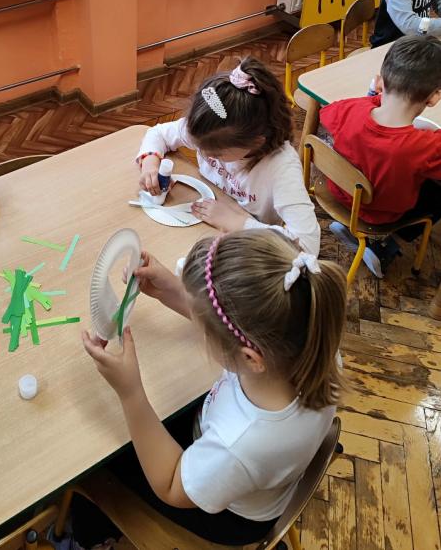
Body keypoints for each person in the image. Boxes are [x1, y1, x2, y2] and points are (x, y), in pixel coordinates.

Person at [79, 229, 346, 547]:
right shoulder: (312, 343)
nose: (201, 333)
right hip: (237, 467)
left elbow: (170, 486)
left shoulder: (240, 444)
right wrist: (175, 290)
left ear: (250, 358)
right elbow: (232, 327)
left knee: (97, 459)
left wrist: (131, 393)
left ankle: (92, 535)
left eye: (205, 330)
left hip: (226, 514)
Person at [136, 57, 320, 255]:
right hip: (207, 222)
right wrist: (150, 164)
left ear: (256, 142)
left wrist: (238, 222)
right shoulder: (208, 129)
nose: (203, 153)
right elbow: (158, 134)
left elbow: (307, 246)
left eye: (216, 154)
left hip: (250, 247)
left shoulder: (281, 168)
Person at [321, 34, 441, 277]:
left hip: (340, 193)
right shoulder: (426, 146)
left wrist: (372, 99)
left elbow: (326, 114)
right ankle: (385, 245)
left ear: (380, 82)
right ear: (433, 98)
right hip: (380, 214)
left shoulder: (352, 109)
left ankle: (352, 227)